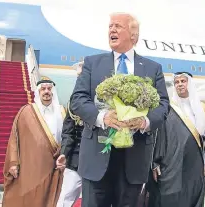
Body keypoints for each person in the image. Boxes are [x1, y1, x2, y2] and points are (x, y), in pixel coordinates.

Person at [68, 12, 170, 207]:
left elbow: (163, 105)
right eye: (110, 26)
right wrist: (102, 117)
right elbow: (78, 100)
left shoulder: (152, 68)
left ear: (133, 35)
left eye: (118, 26)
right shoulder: (92, 63)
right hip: (97, 157)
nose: (112, 30)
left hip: (134, 157)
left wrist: (144, 121)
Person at [146, 71, 205, 207]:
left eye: (183, 81)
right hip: (172, 161)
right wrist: (155, 163)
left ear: (190, 84)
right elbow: (158, 137)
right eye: (177, 82)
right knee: (171, 196)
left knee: (193, 194)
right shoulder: (168, 108)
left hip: (195, 161)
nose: (180, 85)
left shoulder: (202, 108)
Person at [3, 76, 66, 207]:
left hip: (53, 164)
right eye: (43, 89)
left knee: (49, 197)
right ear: (38, 92)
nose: (46, 91)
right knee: (28, 197)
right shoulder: (26, 111)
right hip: (30, 166)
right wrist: (13, 162)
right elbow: (15, 137)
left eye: (49, 88)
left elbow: (67, 137)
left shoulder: (62, 112)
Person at [58, 61, 85, 207]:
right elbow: (68, 132)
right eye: (78, 77)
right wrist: (64, 153)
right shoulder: (73, 102)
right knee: (64, 200)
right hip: (75, 160)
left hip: (96, 163)